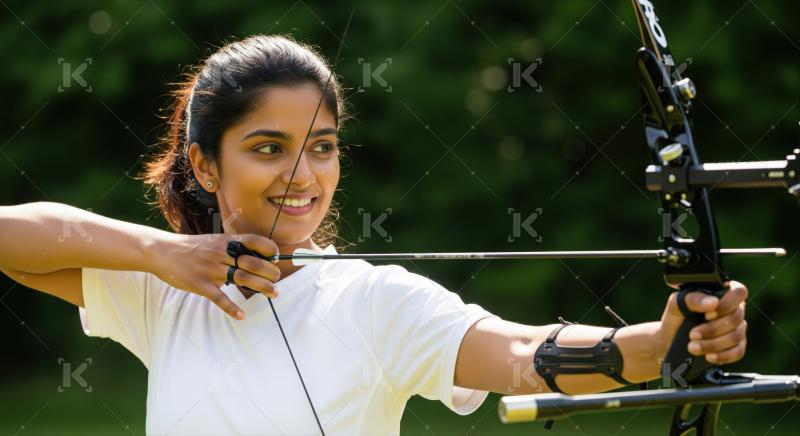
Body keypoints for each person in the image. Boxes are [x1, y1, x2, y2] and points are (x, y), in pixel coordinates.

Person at [0, 35, 748, 435]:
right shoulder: (166, 294)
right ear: (204, 163)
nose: (303, 173)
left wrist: (659, 344)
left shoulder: (373, 300)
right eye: (268, 147)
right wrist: (163, 253)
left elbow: (521, 353)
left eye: (322, 146)